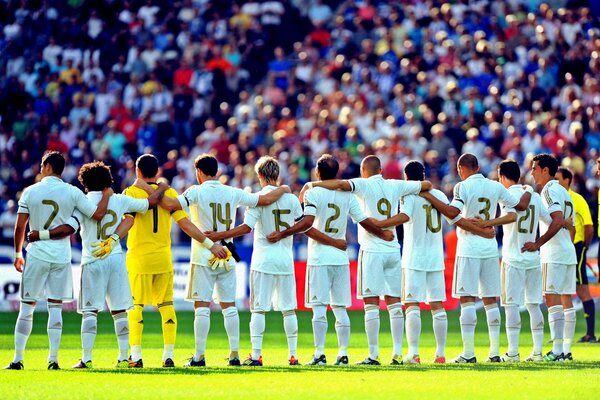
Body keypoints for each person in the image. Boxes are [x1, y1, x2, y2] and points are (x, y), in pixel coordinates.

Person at [28, 161, 166, 368]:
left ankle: (86, 358)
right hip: (115, 258)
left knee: (90, 312)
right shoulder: (119, 200)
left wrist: (42, 235)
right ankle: (123, 357)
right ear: (108, 180)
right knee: (119, 311)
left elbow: (69, 228)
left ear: (84, 182)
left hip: (92, 260)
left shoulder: (81, 202)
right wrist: (163, 186)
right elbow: (151, 202)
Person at [156, 154, 290, 367]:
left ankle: (199, 356)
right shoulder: (233, 192)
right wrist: (282, 189)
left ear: (199, 172)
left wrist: (156, 187)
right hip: (227, 253)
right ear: (216, 171)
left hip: (203, 254)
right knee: (230, 307)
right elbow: (263, 200)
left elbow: (170, 204)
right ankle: (234, 354)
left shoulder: (195, 192)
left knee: (202, 307)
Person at [302, 155, 432, 365]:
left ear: (363, 170)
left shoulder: (361, 185)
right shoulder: (395, 185)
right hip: (392, 249)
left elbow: (341, 184)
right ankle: (397, 353)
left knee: (371, 305)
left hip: (371, 250)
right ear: (380, 169)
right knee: (394, 304)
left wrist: (311, 184)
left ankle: (373, 354)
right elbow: (427, 184)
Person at [267, 154, 394, 365]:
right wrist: (383, 234)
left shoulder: (313, 194)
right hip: (340, 258)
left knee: (319, 308)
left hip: (319, 258)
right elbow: (364, 221)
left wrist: (283, 232)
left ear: (317, 173)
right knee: (340, 309)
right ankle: (343, 354)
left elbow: (307, 224)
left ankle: (319, 354)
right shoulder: (347, 196)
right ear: (337, 174)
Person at [105, 154, 226, 368]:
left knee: (135, 307)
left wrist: (113, 239)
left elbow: (129, 220)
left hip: (138, 260)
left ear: (137, 171)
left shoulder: (132, 192)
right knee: (167, 306)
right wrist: (209, 243)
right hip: (163, 259)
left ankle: (136, 356)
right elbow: (186, 224)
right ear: (157, 171)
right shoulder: (169, 193)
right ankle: (168, 355)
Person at [373, 160, 496, 364]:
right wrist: (483, 231)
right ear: (423, 176)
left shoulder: (408, 194)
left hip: (414, 257)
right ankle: (440, 354)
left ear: (406, 177)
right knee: (437, 306)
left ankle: (413, 353)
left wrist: (379, 224)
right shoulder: (438, 195)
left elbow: (405, 216)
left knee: (412, 304)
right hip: (436, 257)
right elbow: (455, 219)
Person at [5, 151, 111, 370]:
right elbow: (96, 215)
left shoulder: (30, 192)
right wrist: (108, 195)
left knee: (27, 307)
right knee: (55, 308)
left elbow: (20, 226)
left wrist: (17, 254)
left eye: (42, 166)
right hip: (61, 255)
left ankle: (17, 359)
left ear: (47, 167)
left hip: (36, 254)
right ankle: (53, 359)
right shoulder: (72, 192)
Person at [420, 153, 531, 363]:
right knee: (491, 301)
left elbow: (453, 212)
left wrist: (430, 197)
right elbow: (520, 208)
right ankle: (495, 353)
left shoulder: (462, 187)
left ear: (461, 169)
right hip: (490, 248)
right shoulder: (495, 186)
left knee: (467, 300)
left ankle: (469, 353)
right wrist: (529, 190)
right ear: (478, 167)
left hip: (469, 248)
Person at [205, 156, 302, 366]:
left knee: (258, 309)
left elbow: (246, 228)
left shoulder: (257, 199)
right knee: (288, 309)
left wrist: (219, 234)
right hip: (285, 260)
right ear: (277, 174)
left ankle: (256, 355)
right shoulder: (292, 199)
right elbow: (301, 223)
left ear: (259, 175)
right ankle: (293, 355)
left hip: (263, 261)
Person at [477, 160, 550, 361]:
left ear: (502, 177)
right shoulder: (534, 196)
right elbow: (550, 222)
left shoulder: (506, 196)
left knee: (511, 306)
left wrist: (488, 224)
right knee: (534, 305)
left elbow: (511, 216)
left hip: (512, 258)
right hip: (533, 258)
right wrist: (538, 243)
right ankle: (537, 352)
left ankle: (513, 352)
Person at [522, 154, 577, 361]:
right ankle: (564, 350)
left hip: (554, 253)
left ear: (546, 170)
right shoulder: (564, 192)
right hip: (567, 251)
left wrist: (538, 243)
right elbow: (569, 224)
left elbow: (557, 220)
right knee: (565, 299)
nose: (532, 172)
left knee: (551, 298)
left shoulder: (547, 191)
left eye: (535, 168)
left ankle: (556, 350)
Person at [556, 167, 595, 343]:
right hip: (561, 250)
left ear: (567, 180)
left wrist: (584, 247)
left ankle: (590, 333)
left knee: (581, 290)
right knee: (560, 291)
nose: (555, 182)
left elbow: (588, 226)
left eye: (558, 179)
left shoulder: (577, 199)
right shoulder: (555, 199)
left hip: (576, 248)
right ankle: (563, 335)